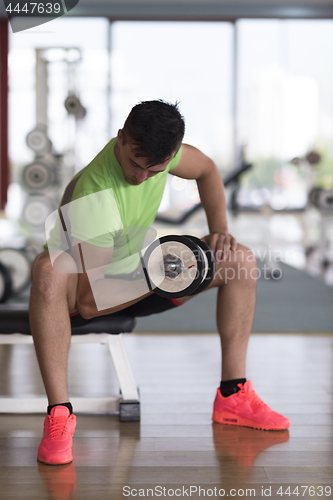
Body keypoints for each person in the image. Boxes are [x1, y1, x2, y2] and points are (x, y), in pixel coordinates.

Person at [30, 100, 290, 466]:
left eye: (155, 170)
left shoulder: (164, 154)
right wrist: (162, 274)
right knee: (48, 268)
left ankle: (234, 395)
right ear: (121, 139)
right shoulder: (96, 192)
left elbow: (208, 169)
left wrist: (220, 232)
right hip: (80, 296)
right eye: (135, 164)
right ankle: (60, 414)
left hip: (135, 275)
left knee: (241, 261)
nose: (140, 177)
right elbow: (91, 303)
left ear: (171, 156)